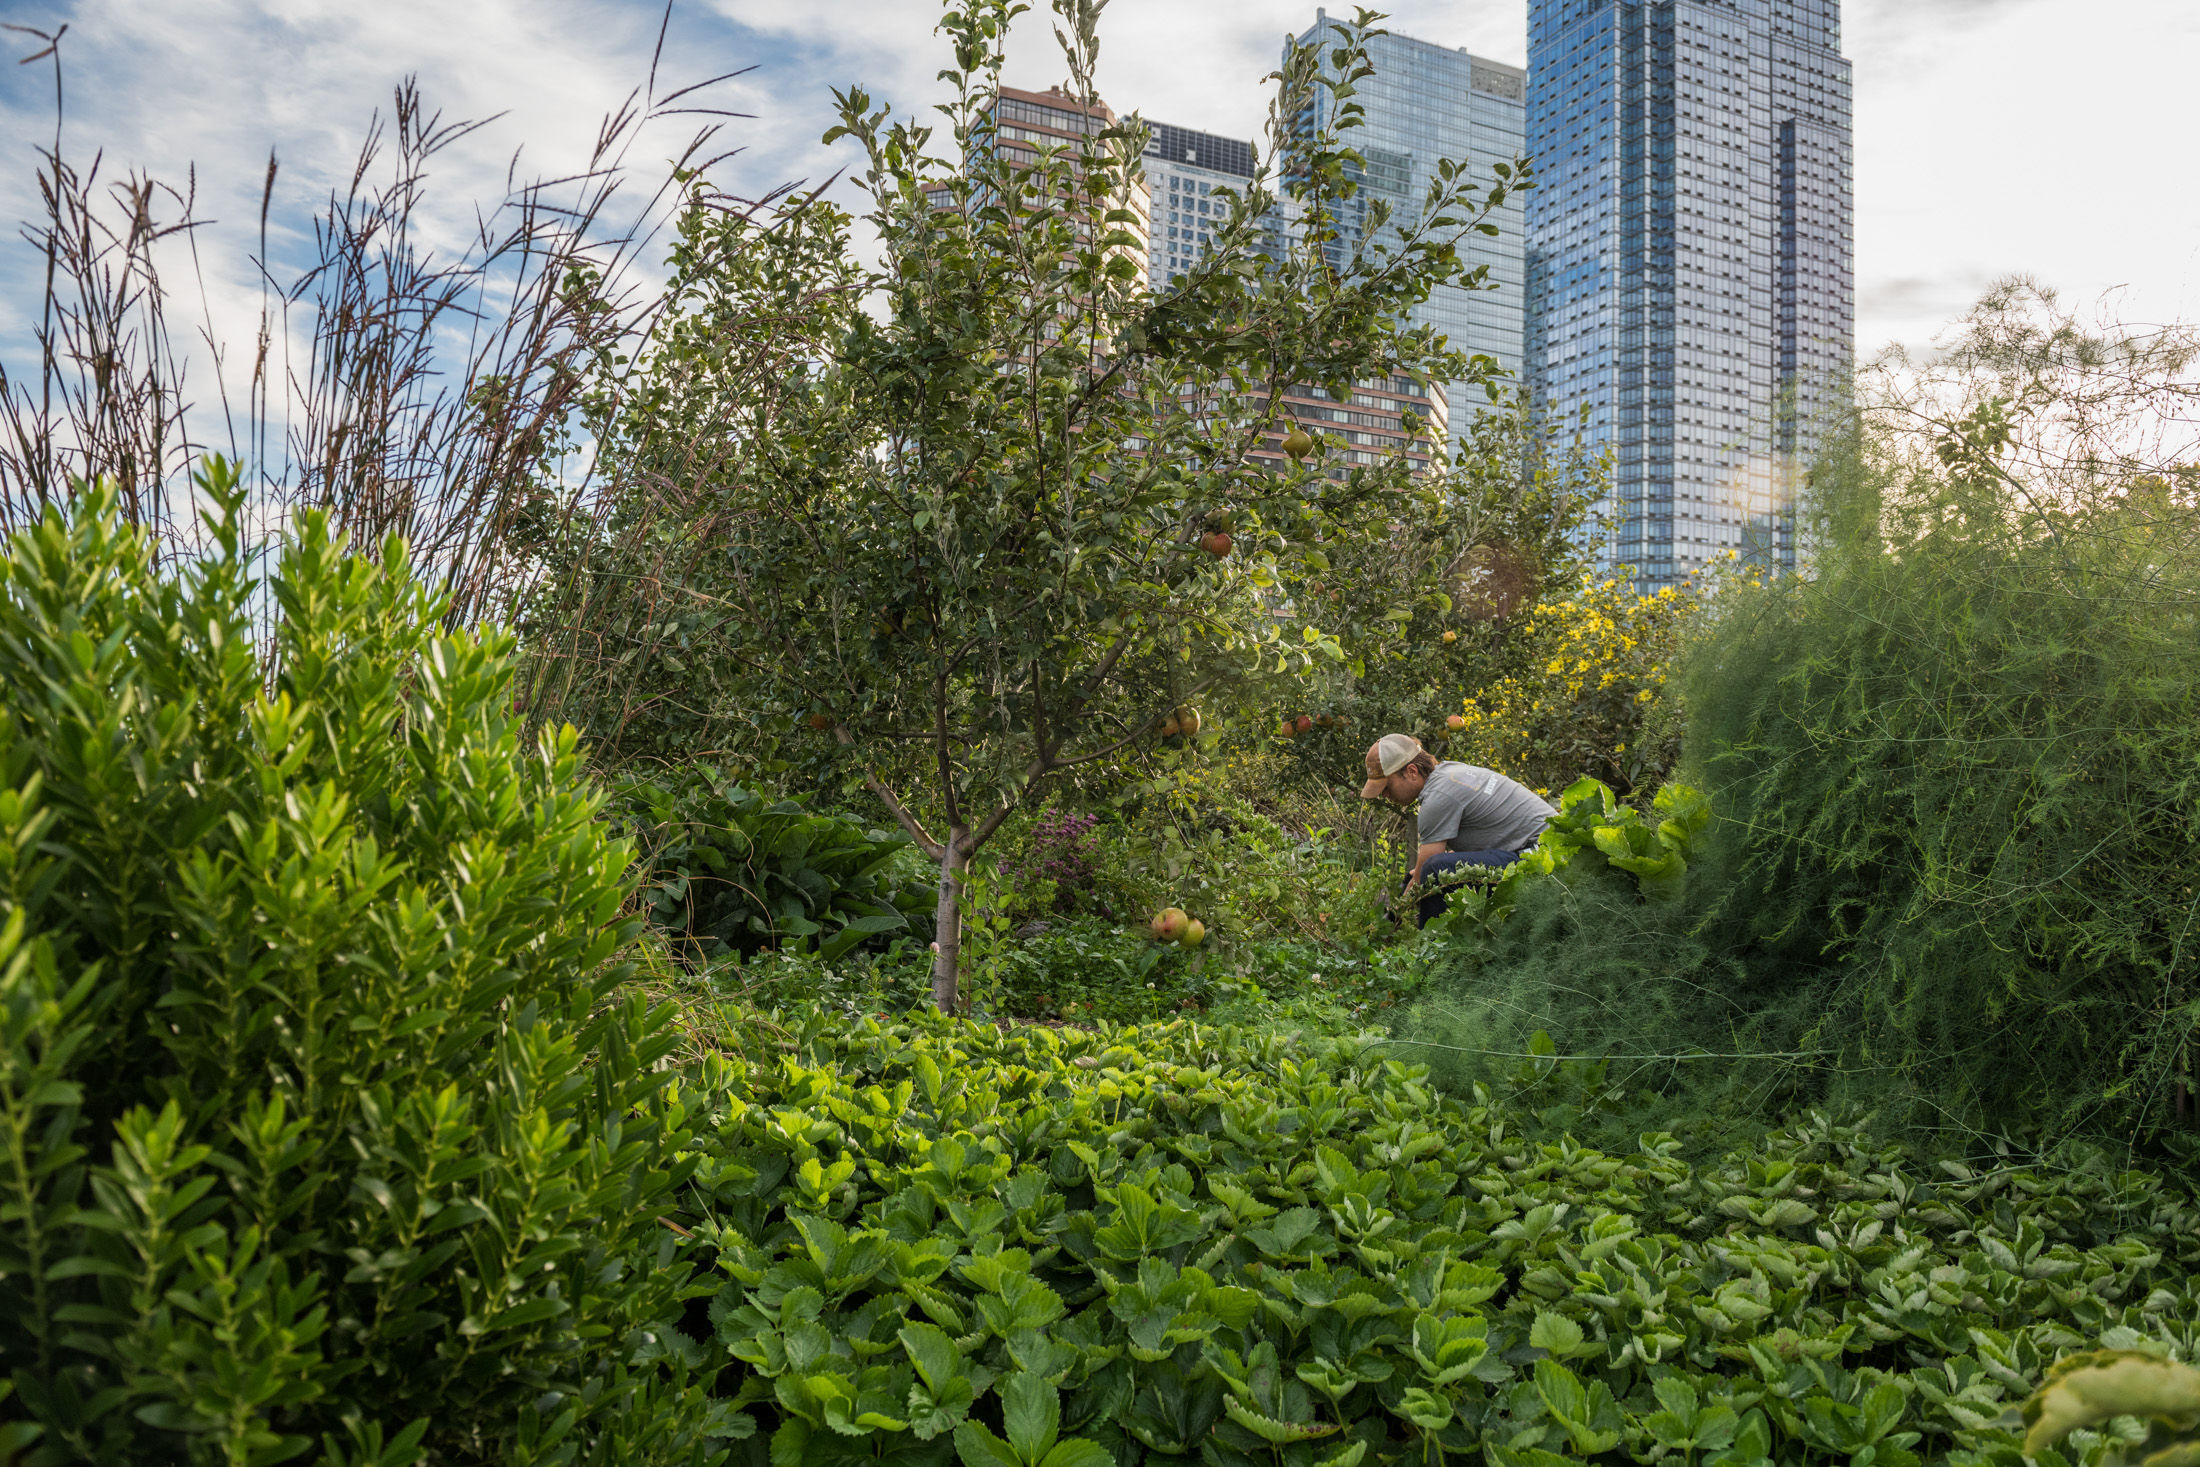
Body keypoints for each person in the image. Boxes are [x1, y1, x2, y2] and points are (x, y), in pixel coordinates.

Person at [1359, 733, 1556, 925]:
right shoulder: (1448, 774)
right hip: (1536, 847)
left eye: (1386, 786)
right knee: (1420, 872)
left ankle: (1432, 949)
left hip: (1543, 856)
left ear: (1411, 771)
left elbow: (1424, 877)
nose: (1384, 795)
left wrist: (1395, 916)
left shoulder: (1437, 797)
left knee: (1433, 871)